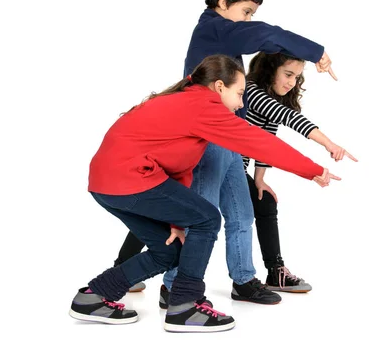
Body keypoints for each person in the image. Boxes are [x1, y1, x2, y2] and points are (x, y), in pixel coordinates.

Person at [113, 0, 338, 305]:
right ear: (222, 2)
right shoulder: (215, 29)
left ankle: (244, 280)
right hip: (211, 138)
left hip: (229, 139)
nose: (248, 21)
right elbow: (266, 35)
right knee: (199, 215)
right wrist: (315, 51)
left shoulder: (221, 33)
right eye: (246, 11)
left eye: (251, 14)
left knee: (241, 214)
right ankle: (175, 285)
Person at [69, 55, 339, 333]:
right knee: (208, 219)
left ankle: (93, 296)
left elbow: (176, 168)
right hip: (128, 178)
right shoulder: (204, 106)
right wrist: (313, 169)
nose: (241, 103)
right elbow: (259, 142)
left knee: (168, 251)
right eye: (239, 93)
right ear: (219, 86)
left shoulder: (187, 101)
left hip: (107, 183)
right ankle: (185, 305)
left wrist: (175, 221)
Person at [243, 52, 357, 292]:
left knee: (265, 203)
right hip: (215, 165)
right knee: (180, 217)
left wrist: (259, 179)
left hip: (234, 168)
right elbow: (287, 117)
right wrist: (330, 144)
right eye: (287, 74)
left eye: (296, 77)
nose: (291, 82)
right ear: (269, 69)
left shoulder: (272, 99)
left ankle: (276, 272)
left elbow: (267, 140)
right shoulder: (250, 90)